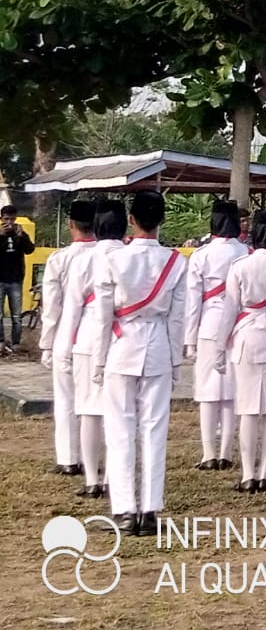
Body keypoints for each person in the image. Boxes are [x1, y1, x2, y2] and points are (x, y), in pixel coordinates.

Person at [93, 193, 186, 536]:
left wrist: (99, 360)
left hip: (121, 345)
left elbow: (104, 318)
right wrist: (176, 361)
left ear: (132, 220)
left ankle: (124, 510)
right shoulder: (176, 262)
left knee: (119, 430)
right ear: (161, 221)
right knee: (154, 430)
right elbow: (178, 320)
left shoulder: (114, 260)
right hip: (159, 345)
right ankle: (149, 510)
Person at [218, 211, 266, 494]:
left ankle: (248, 474)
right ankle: (265, 473)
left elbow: (229, 312)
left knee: (249, 411)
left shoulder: (241, 266)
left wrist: (219, 347)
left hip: (247, 339)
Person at [62, 199, 128, 499]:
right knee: (121, 413)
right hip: (125, 338)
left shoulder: (82, 260)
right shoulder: (130, 255)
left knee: (90, 410)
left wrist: (62, 348)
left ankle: (92, 479)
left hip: (88, 338)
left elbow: (72, 310)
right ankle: (116, 478)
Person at [185, 199, 248, 471]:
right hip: (240, 324)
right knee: (233, 391)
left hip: (210, 324)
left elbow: (192, 302)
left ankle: (208, 453)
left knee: (208, 391)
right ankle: (226, 452)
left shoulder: (201, 255)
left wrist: (189, 339)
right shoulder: (247, 252)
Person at [40, 201, 95, 477]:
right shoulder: (110, 255)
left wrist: (46, 344)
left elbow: (52, 306)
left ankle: (68, 459)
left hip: (67, 333)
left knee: (66, 398)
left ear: (70, 225)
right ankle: (94, 458)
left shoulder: (60, 259)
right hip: (102, 335)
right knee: (96, 401)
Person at [0, 204, 36, 347]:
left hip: (15, 279)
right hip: (0, 279)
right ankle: (1, 341)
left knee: (16, 316)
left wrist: (22, 237)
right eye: (6, 219)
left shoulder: (20, 233)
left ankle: (16, 343)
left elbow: (30, 250)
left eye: (12, 219)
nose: (9, 223)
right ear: (2, 218)